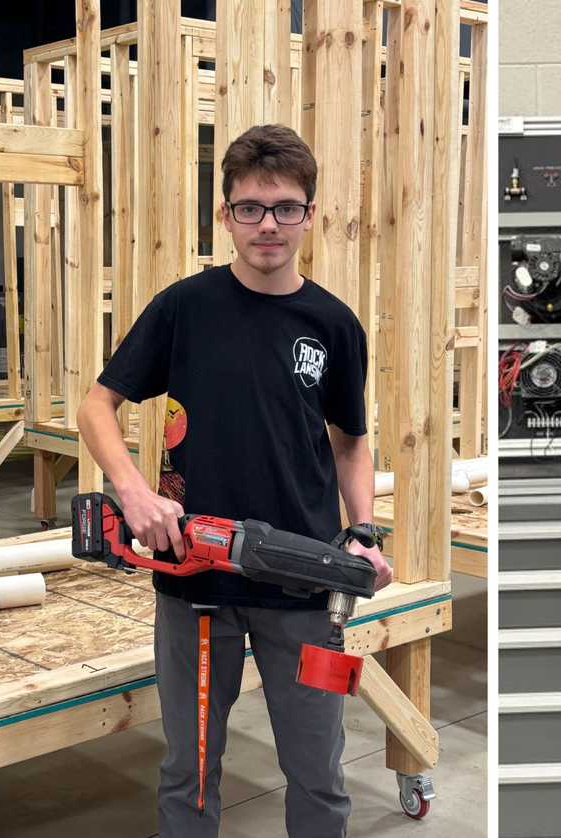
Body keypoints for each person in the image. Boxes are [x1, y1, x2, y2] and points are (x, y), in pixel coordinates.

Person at [77, 123, 392, 838]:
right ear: (225, 215)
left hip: (306, 587)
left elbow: (351, 444)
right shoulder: (184, 307)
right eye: (250, 207)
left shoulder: (334, 325)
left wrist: (363, 530)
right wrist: (131, 488)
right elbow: (97, 406)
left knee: (320, 775)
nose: (268, 225)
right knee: (188, 778)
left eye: (285, 207)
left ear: (310, 214)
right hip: (194, 585)